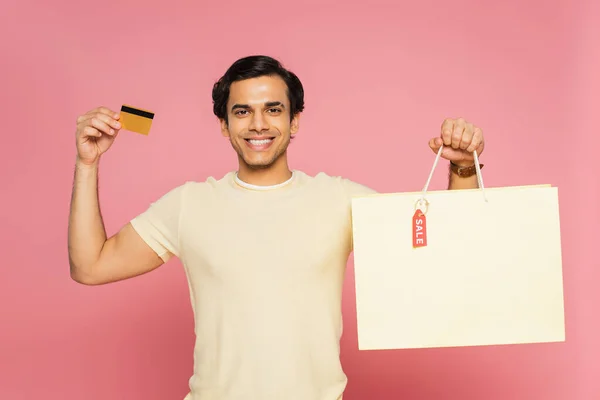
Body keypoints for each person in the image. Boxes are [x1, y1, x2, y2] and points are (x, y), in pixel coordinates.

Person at [68, 55, 485, 400]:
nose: (258, 124)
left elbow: (444, 252)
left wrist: (463, 166)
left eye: (273, 109)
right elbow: (91, 266)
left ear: (295, 121)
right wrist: (88, 164)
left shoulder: (339, 199)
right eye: (242, 111)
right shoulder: (189, 204)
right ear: (224, 125)